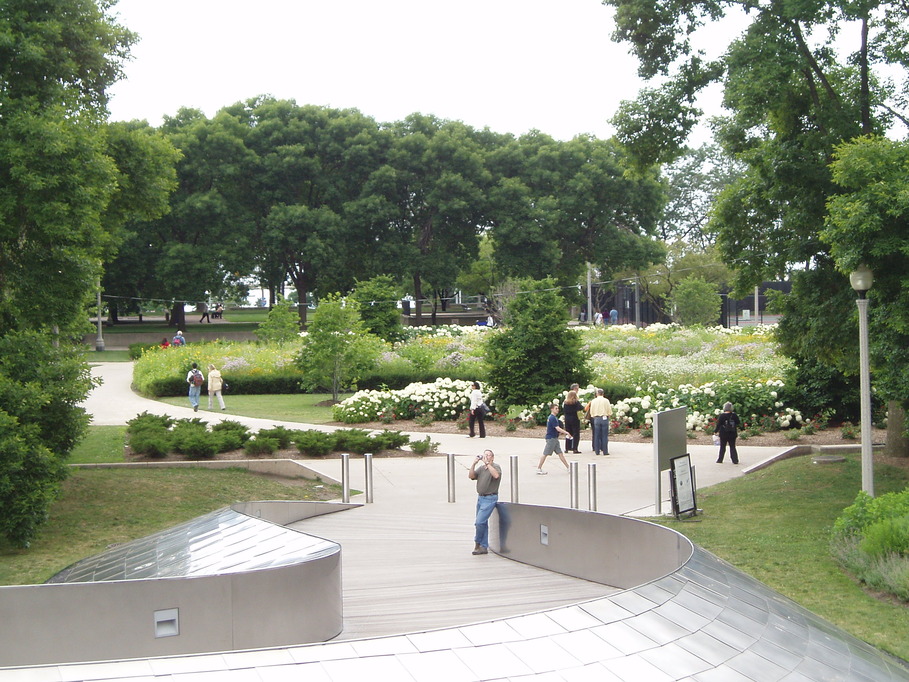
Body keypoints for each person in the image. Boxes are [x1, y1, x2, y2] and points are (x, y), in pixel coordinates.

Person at [468, 449, 501, 555]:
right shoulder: (481, 469)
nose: (486, 456)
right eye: (485, 455)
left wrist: (487, 463)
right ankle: (483, 546)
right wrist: (474, 464)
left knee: (479, 522)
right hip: (480, 498)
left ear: (492, 457)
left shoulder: (495, 467)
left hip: (490, 498)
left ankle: (477, 542)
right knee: (483, 523)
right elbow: (471, 476)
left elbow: (496, 475)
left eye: (489, 455)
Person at [537, 404, 571, 474]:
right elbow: (557, 428)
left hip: (555, 438)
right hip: (551, 438)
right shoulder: (552, 418)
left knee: (560, 453)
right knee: (545, 453)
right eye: (556, 408)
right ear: (552, 409)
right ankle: (539, 468)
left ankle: (568, 467)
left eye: (558, 408)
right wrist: (566, 432)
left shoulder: (554, 418)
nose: (557, 409)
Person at [586, 388, 613, 455]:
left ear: (597, 394)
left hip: (596, 418)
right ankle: (605, 451)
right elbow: (609, 411)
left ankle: (597, 451)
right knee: (604, 435)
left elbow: (591, 411)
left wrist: (594, 416)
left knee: (596, 435)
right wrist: (608, 415)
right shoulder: (606, 401)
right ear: (603, 394)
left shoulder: (593, 401)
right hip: (604, 417)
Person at [562, 389, 584, 453]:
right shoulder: (576, 402)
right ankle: (575, 448)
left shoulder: (565, 403)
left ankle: (567, 448)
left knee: (568, 433)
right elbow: (582, 408)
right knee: (576, 434)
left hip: (567, 419)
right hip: (575, 419)